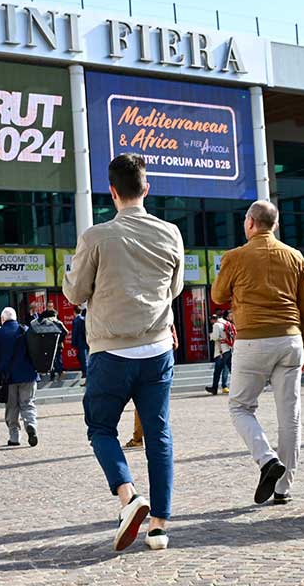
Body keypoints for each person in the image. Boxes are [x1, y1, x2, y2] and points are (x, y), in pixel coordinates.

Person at [64, 152, 184, 552]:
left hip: (111, 351)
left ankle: (128, 497)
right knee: (158, 433)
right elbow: (176, 289)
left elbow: (75, 292)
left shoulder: (96, 236)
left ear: (112, 192)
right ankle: (159, 527)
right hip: (157, 348)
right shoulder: (171, 233)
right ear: (145, 189)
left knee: (101, 428)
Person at [213, 200, 304, 508]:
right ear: (275, 225)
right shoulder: (295, 256)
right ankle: (284, 488)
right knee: (290, 416)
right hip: (290, 340)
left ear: (249, 223)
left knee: (241, 407)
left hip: (252, 341)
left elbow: (218, 296)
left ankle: (267, 459)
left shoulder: (235, 257)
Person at [0, 307, 40, 447]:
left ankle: (14, 436)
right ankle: (31, 425)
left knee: (12, 407)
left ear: (2, 320)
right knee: (28, 403)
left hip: (7, 377)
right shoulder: (26, 331)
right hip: (28, 375)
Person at [35, 309, 69, 382]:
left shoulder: (48, 323)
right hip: (56, 344)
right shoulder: (57, 323)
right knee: (56, 359)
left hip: (51, 345)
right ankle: (56, 373)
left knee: (53, 360)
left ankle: (56, 374)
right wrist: (59, 339)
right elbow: (65, 332)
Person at [206, 310, 233, 395]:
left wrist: (210, 335)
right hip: (228, 348)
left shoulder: (216, 325)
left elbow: (215, 337)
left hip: (220, 350)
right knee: (231, 368)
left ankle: (214, 388)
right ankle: (241, 386)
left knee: (217, 370)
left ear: (213, 319)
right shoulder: (227, 323)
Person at [72, 306, 88, 383]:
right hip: (87, 340)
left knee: (82, 357)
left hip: (80, 341)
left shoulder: (76, 320)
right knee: (86, 357)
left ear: (74, 312)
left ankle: (85, 372)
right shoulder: (84, 319)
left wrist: (73, 343)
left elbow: (75, 332)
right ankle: (86, 372)